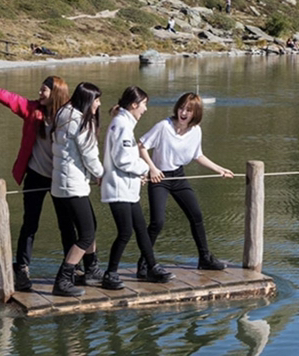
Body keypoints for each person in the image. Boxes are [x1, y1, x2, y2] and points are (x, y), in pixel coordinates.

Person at [0, 68, 74, 292]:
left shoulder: (67, 117)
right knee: (30, 223)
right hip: (36, 175)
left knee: (66, 224)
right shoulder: (32, 110)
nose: (39, 92)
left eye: (44, 90)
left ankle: (72, 267)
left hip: (60, 177)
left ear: (56, 93)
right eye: (40, 88)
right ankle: (23, 269)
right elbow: (8, 98)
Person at [138, 92, 234, 275]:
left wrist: (219, 169)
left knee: (196, 215)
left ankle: (205, 258)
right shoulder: (163, 126)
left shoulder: (196, 131)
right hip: (160, 177)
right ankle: (144, 263)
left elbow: (198, 155)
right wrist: (151, 168)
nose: (183, 113)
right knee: (157, 222)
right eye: (181, 108)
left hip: (178, 176)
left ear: (195, 113)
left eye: (188, 110)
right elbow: (141, 146)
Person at [100, 86, 172, 290]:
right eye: (144, 105)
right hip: (118, 188)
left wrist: (138, 173)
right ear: (134, 105)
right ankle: (110, 274)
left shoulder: (124, 123)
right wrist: (145, 169)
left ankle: (152, 267)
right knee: (125, 232)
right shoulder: (122, 125)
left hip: (128, 188)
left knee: (140, 229)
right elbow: (123, 160)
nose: (145, 109)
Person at [50, 82, 105, 297]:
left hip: (59, 185)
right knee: (86, 233)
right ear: (87, 100)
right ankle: (63, 279)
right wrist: (101, 174)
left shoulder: (63, 113)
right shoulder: (81, 122)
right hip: (73, 186)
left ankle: (91, 270)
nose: (98, 104)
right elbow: (89, 154)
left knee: (87, 225)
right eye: (96, 100)